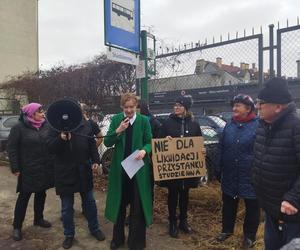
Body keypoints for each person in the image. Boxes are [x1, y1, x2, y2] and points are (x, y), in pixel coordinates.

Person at [46, 101, 105, 249]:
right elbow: (50, 148)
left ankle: (94, 228)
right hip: (64, 173)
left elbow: (92, 144)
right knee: (67, 208)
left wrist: (96, 160)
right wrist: (61, 138)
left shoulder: (86, 125)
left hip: (83, 170)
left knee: (90, 203)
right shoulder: (54, 126)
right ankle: (69, 235)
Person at [252, 77, 300, 250]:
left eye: (261, 103)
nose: (257, 106)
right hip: (272, 209)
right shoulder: (264, 125)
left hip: (292, 215)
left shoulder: (296, 126)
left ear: (278, 106)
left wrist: (294, 198)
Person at [104, 93, 152, 250]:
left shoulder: (144, 121)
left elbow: (149, 141)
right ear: (122, 107)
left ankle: (136, 242)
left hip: (137, 170)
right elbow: (107, 141)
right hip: (121, 170)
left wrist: (145, 151)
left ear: (136, 107)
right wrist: (118, 130)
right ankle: (117, 239)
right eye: (126, 108)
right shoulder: (117, 119)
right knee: (119, 205)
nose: (129, 111)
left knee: (137, 207)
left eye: (132, 107)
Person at [215, 94, 260, 248]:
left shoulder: (259, 125)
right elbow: (221, 147)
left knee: (252, 206)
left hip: (251, 174)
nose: (234, 108)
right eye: (233, 105)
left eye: (238, 106)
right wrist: (218, 167)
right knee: (228, 203)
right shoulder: (229, 125)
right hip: (230, 173)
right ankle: (227, 230)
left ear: (248, 109)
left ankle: (249, 236)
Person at [7, 103, 53, 241]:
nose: (43, 113)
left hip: (44, 168)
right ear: (31, 114)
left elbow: (51, 143)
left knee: (41, 193)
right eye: (40, 111)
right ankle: (17, 226)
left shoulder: (46, 126)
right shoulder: (18, 128)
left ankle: (38, 219)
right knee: (24, 197)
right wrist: (15, 167)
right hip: (28, 169)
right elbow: (12, 148)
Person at [160, 95, 204, 238]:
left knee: (185, 194)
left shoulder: (194, 124)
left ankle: (183, 221)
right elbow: (158, 140)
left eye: (179, 105)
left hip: (187, 169)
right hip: (174, 170)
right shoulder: (167, 123)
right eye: (175, 105)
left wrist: (202, 150)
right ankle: (172, 222)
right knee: (173, 194)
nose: (176, 107)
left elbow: (199, 142)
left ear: (186, 107)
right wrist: (164, 140)